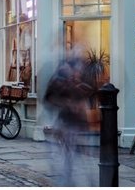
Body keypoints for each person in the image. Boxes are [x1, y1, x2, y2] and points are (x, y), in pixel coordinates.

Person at [43, 55, 95, 186]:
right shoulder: (60, 82)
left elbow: (87, 97)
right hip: (65, 123)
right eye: (76, 69)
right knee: (68, 155)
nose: (78, 72)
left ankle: (87, 181)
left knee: (80, 155)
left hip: (77, 124)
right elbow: (49, 99)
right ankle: (69, 181)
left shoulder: (79, 83)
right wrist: (67, 103)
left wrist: (82, 111)